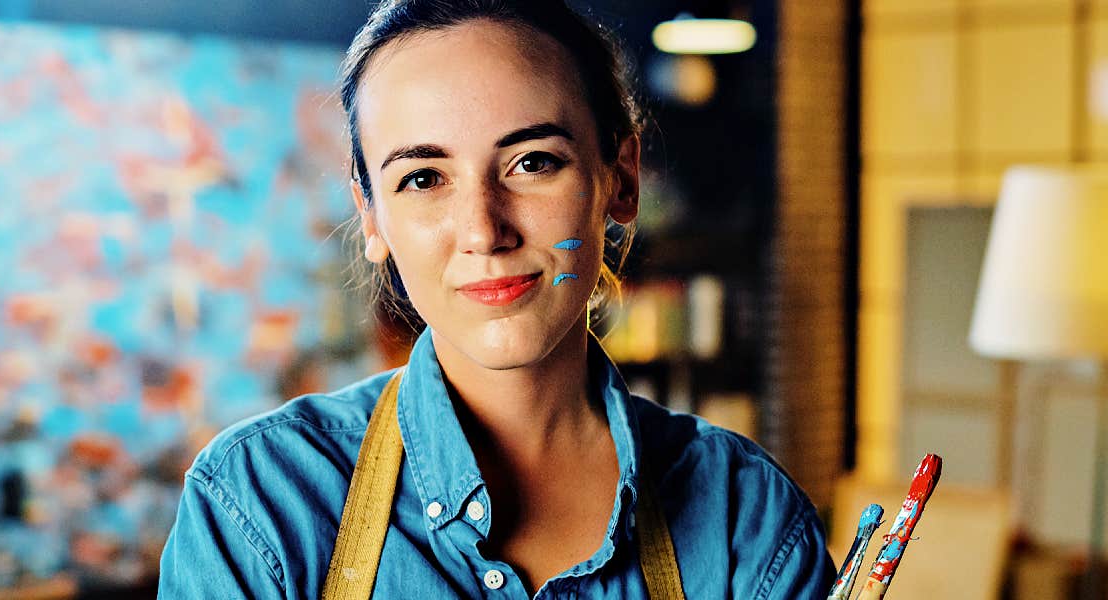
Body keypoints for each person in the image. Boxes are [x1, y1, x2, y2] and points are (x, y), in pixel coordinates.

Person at [158, 1, 837, 598]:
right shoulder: (260, 505)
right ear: (372, 218)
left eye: (533, 162)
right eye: (424, 178)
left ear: (620, 179)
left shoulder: (744, 519)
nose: (485, 230)